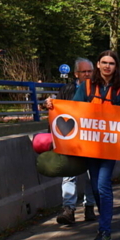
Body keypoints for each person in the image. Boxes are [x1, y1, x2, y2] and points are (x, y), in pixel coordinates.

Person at [68, 50, 120, 240]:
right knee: (96, 186)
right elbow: (73, 109)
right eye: (104, 62)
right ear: (98, 64)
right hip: (90, 145)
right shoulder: (87, 86)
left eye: (111, 63)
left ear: (116, 66)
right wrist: (52, 105)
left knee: (103, 186)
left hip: (110, 145)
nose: (107, 66)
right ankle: (103, 219)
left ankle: (105, 231)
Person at [45, 58, 96, 224]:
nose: (87, 75)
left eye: (90, 71)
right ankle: (69, 209)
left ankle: (89, 206)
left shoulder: (98, 90)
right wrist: (50, 104)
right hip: (71, 140)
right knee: (69, 175)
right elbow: (57, 112)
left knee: (91, 175)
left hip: (92, 140)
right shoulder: (67, 89)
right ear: (76, 74)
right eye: (84, 72)